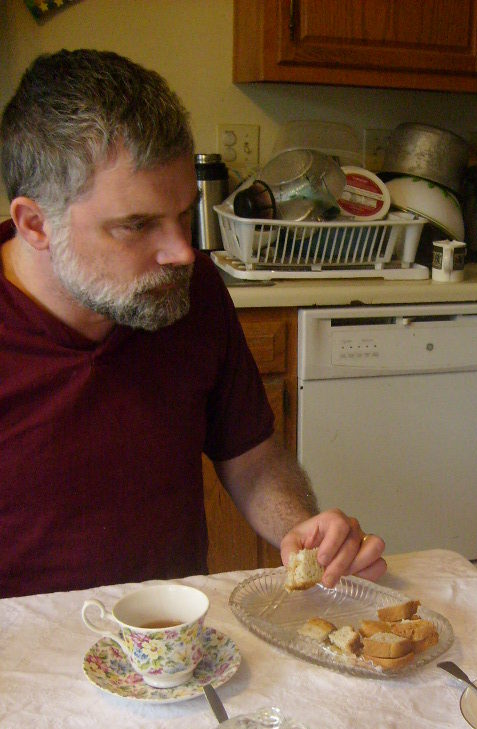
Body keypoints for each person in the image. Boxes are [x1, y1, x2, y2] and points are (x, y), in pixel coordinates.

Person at [0, 49, 385, 598]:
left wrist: (301, 529)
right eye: (137, 225)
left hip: (173, 637)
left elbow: (252, 457)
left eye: (183, 214)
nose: (182, 252)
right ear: (35, 224)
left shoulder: (190, 289)